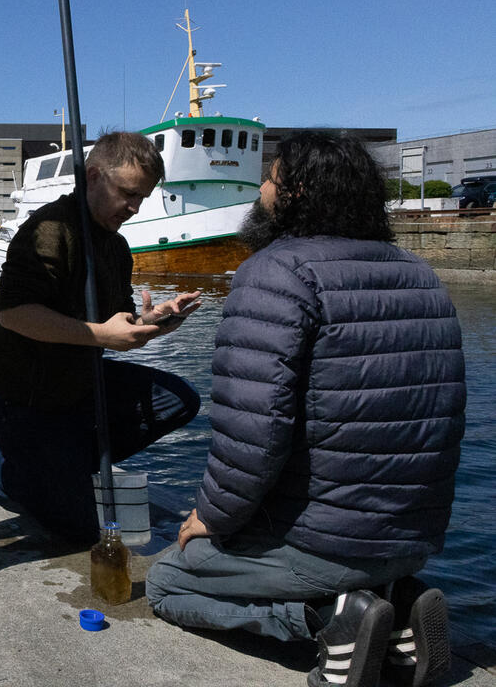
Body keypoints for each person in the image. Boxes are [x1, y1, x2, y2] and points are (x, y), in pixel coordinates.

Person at [145, 133, 466, 687]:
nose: (260, 191)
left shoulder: (276, 273)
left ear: (294, 193)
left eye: (269, 179)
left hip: (324, 545)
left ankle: (326, 621)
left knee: (169, 580)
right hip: (413, 539)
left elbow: (253, 435)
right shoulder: (421, 274)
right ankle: (399, 607)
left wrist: (212, 516)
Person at [0, 131, 202, 546]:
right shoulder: (50, 230)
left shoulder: (116, 247)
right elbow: (14, 314)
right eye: (128, 193)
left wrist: (149, 322)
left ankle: (62, 467)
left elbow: (116, 321)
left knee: (179, 399)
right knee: (74, 529)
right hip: (22, 395)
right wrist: (102, 334)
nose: (135, 207)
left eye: (143, 197)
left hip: (77, 387)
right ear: (93, 176)